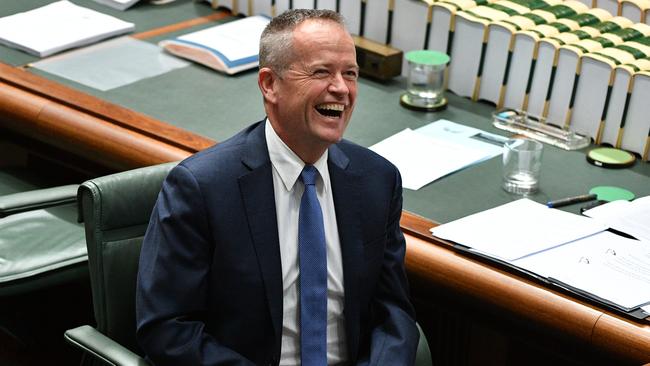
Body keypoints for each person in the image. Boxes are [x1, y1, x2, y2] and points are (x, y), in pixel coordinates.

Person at [136, 9, 418, 366]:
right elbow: (167, 329)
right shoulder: (202, 189)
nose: (342, 89)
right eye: (321, 72)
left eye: (350, 74)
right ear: (270, 84)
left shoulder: (378, 180)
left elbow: (393, 312)